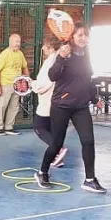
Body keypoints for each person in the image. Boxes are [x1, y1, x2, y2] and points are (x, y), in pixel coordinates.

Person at [35, 23, 106, 193]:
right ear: (72, 37)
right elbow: (52, 76)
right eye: (80, 35)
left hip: (80, 106)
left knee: (88, 141)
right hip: (61, 105)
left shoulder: (86, 55)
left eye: (86, 35)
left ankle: (90, 179)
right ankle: (42, 172)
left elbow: (87, 80)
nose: (83, 38)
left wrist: (94, 98)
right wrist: (60, 57)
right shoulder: (64, 53)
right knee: (56, 143)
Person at [31, 37, 67, 168]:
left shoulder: (50, 62)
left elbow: (43, 84)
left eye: (45, 46)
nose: (42, 49)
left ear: (51, 48)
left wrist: (33, 85)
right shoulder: (62, 59)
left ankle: (59, 149)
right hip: (60, 102)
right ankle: (57, 159)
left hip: (48, 101)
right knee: (53, 129)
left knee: (39, 127)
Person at [0, 33, 29, 135]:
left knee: (14, 106)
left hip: (17, 85)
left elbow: (25, 67)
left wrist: (27, 81)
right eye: (16, 41)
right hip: (5, 84)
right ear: (11, 42)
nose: (18, 43)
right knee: (2, 106)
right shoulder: (4, 54)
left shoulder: (20, 54)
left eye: (19, 41)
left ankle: (9, 127)